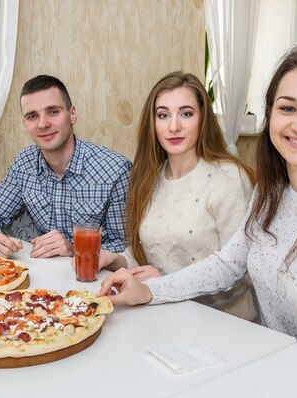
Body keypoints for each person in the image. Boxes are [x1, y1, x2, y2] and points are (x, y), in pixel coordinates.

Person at [98, 46, 297, 372]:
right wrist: (149, 291)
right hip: (268, 370)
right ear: (271, 118)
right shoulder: (270, 193)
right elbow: (226, 265)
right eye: (288, 108)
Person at [98, 71, 257, 320]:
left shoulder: (229, 179)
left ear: (203, 119)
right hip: (166, 314)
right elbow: (152, 252)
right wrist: (113, 259)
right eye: (163, 115)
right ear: (153, 123)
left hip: (224, 323)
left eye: (186, 113)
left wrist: (162, 285)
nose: (174, 126)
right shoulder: (149, 177)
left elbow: (239, 271)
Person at [0, 75, 132, 258]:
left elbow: (125, 248)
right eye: (32, 116)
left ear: (72, 114)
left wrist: (74, 250)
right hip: (43, 279)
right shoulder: (24, 164)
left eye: (53, 112)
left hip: (95, 281)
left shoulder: (115, 170)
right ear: (25, 124)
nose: (43, 124)